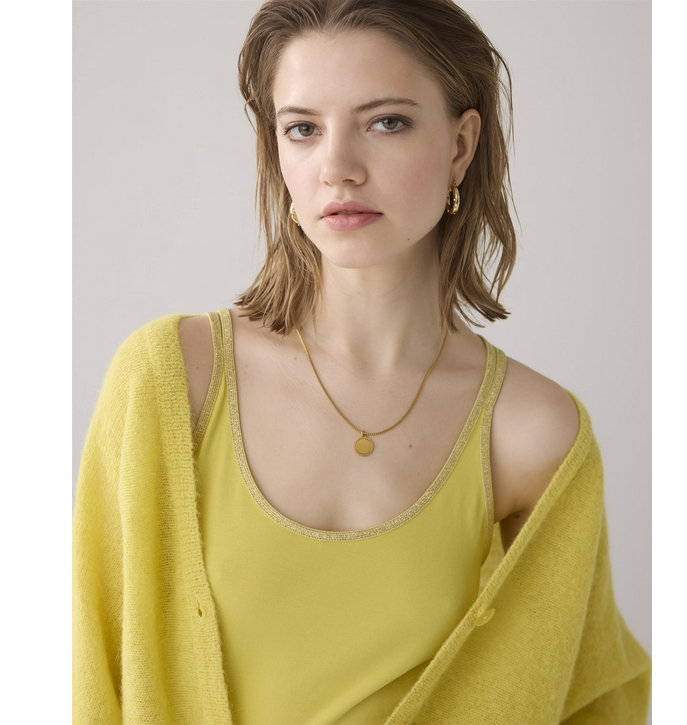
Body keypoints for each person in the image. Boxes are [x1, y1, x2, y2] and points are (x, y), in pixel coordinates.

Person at [72, 1, 651, 723]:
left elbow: (587, 694)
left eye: (386, 122)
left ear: (461, 146)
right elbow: (89, 666)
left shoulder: (532, 432)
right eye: (303, 129)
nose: (337, 169)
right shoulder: (171, 380)